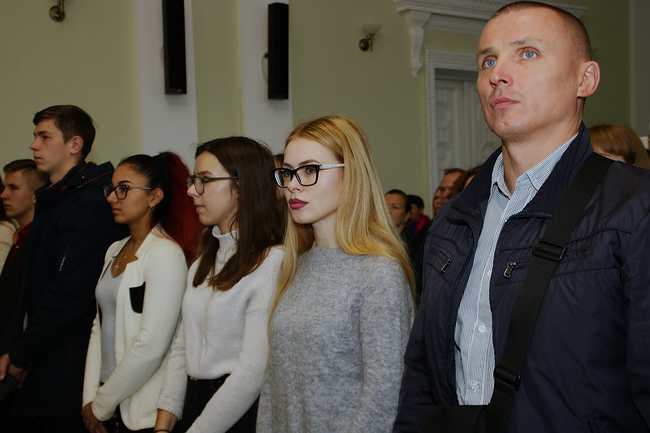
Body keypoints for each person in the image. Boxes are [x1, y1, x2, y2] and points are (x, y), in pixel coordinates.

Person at [395, 2, 650, 432]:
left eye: (527, 53)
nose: (498, 74)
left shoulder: (635, 207)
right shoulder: (455, 218)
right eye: (488, 61)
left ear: (585, 79)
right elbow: (421, 371)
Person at [257, 116, 414, 432]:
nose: (293, 185)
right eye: (288, 172)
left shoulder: (378, 272)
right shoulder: (296, 265)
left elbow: (384, 399)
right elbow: (274, 384)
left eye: (310, 170)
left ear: (351, 174)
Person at [0, 105, 126, 433]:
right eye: (35, 136)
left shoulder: (89, 203)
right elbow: (32, 289)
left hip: (71, 366)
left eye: (44, 137)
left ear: (74, 144)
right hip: (46, 359)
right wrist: (13, 349)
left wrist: (21, 356)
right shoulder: (55, 198)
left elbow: (68, 293)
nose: (34, 145)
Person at [154, 137, 284, 433]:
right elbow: (182, 347)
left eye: (205, 180)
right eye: (193, 180)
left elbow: (251, 373)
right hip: (195, 402)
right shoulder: (205, 260)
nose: (191, 190)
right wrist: (164, 424)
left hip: (237, 413)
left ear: (242, 188)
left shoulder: (272, 262)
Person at [82, 152, 203, 433]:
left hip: (142, 410)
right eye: (112, 189)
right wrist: (90, 399)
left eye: (124, 189)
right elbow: (99, 326)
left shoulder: (164, 253)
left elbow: (152, 346)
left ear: (154, 197)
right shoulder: (115, 249)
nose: (112, 198)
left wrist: (100, 405)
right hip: (105, 400)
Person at [0, 160, 48, 432]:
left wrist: (19, 357)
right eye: (4, 187)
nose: (3, 195)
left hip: (21, 367)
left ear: (35, 196)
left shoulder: (40, 244)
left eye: (13, 188)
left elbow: (35, 308)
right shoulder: (20, 239)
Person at [386, 190, 420, 265]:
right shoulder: (372, 239)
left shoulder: (412, 245)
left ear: (407, 215)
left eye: (395, 207)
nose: (387, 211)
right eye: (384, 206)